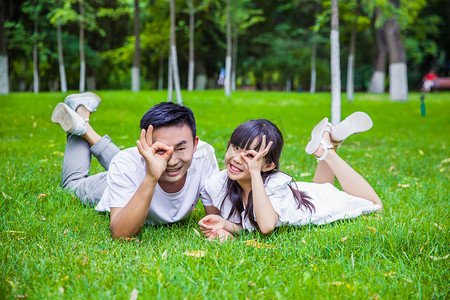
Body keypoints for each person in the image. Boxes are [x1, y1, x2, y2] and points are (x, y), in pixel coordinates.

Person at [51, 92, 220, 238]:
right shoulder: (126, 165)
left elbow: (216, 218)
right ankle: (79, 125)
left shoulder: (204, 156)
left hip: (133, 168)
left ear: (195, 144)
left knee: (132, 164)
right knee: (72, 185)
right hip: (116, 186)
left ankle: (84, 124)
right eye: (161, 150)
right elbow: (121, 233)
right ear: (146, 146)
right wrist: (152, 176)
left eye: (181, 148)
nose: (173, 160)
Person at [198, 113, 383, 240]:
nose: (236, 158)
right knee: (323, 187)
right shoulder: (220, 182)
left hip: (317, 204)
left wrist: (254, 172)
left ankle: (328, 152)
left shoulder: (273, 185)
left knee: (375, 205)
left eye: (250, 155)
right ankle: (328, 142)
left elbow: (266, 226)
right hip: (305, 196)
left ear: (269, 166)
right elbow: (247, 225)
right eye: (235, 148)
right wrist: (224, 224)